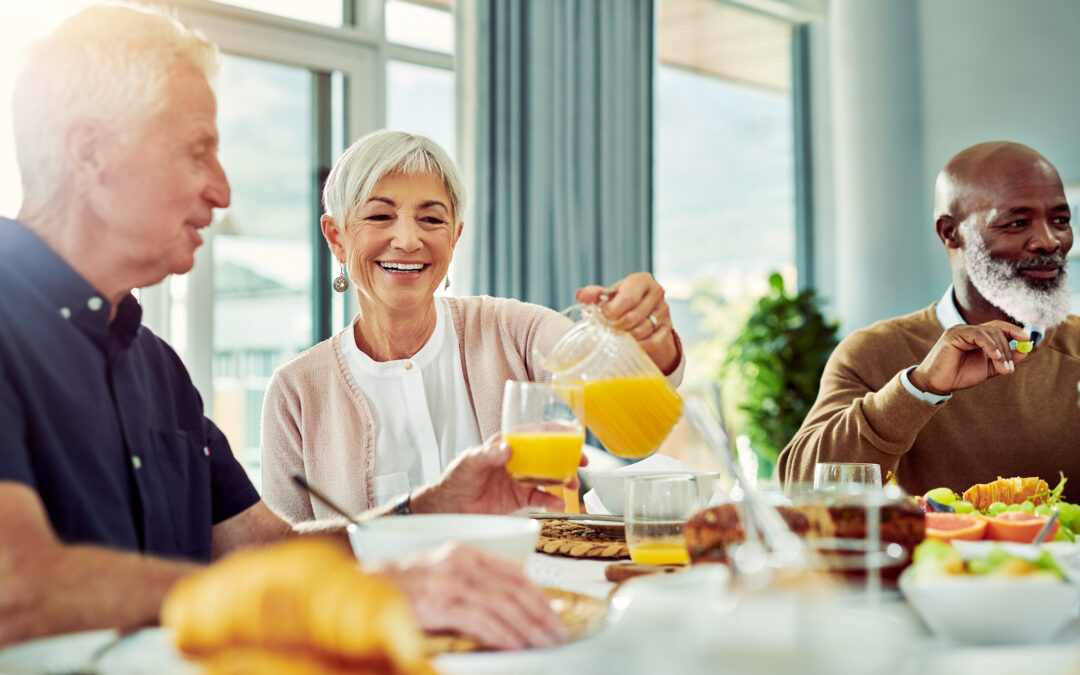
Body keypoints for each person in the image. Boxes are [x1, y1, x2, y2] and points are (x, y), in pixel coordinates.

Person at [0, 3, 566, 650]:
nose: (222, 189)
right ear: (90, 151)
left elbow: (262, 551)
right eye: (198, 152)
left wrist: (433, 506)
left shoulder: (157, 369)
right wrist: (354, 591)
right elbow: (14, 586)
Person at [260, 129, 685, 521]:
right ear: (337, 237)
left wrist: (648, 337)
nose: (408, 240)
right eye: (379, 217)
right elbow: (286, 561)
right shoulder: (295, 392)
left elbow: (633, 414)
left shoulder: (514, 330)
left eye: (431, 219)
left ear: (455, 236)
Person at [779, 141, 1080, 500]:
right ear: (950, 233)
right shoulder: (871, 353)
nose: (1050, 241)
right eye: (1017, 222)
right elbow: (800, 486)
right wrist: (918, 388)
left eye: (1061, 220)